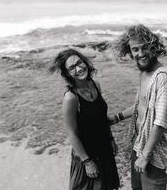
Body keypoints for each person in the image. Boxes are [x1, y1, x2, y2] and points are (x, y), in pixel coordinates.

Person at [111, 24, 167, 190]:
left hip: (151, 153)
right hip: (138, 143)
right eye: (135, 49)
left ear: (153, 46)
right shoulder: (144, 72)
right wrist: (117, 118)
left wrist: (145, 155)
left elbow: (161, 121)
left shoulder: (162, 78)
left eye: (145, 48)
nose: (140, 54)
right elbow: (142, 105)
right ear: (129, 51)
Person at [49, 49, 120, 190]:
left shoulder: (95, 85)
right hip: (87, 156)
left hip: (104, 150)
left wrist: (111, 139)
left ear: (84, 61)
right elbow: (72, 134)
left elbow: (101, 119)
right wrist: (87, 162)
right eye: (72, 68)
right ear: (68, 74)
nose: (78, 69)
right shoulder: (71, 98)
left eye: (79, 63)